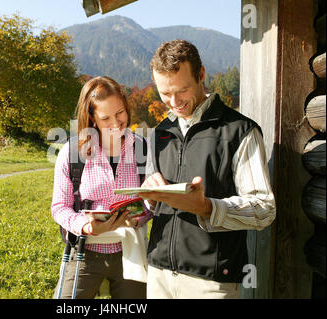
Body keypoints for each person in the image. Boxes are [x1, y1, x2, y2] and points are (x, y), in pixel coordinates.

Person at [139, 40, 276, 299]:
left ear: (201, 75)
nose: (173, 101)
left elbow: (264, 210)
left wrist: (207, 208)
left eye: (182, 90)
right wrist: (151, 198)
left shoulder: (240, 131)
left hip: (211, 282)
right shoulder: (159, 134)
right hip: (158, 274)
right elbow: (153, 206)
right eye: (164, 93)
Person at [51, 76, 152, 299]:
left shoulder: (142, 148)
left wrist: (139, 217)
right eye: (105, 118)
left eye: (120, 113)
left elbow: (150, 201)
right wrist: (86, 226)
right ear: (92, 118)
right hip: (85, 251)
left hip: (130, 251)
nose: (116, 123)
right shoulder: (72, 152)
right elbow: (59, 207)